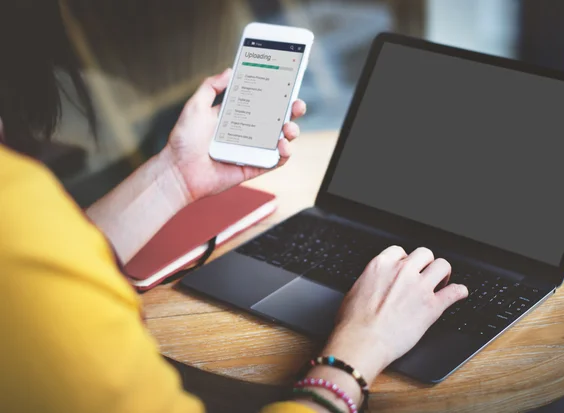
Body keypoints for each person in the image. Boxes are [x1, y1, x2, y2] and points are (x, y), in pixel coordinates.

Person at [0, 2, 468, 412]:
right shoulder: (17, 219)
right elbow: (33, 266)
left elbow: (55, 254)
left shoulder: (21, 207)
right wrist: (361, 346)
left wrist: (175, 176)